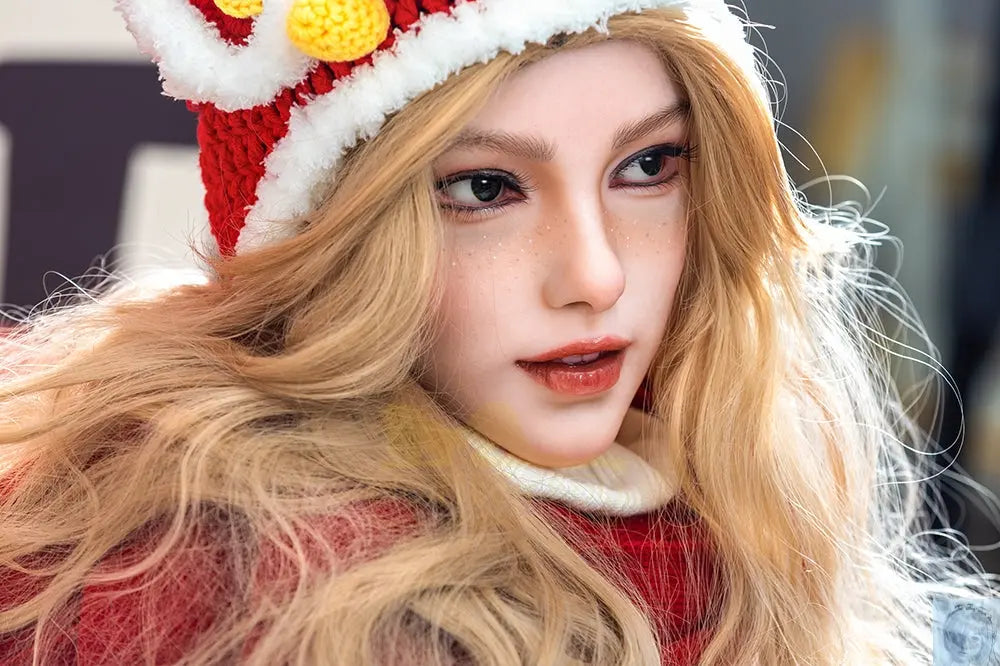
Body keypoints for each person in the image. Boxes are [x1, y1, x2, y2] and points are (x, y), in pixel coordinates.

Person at [0, 0, 995, 664]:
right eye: (484, 188)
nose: (596, 276)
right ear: (334, 236)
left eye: (648, 166)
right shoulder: (211, 581)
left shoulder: (747, 491)